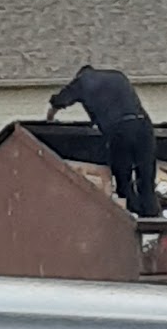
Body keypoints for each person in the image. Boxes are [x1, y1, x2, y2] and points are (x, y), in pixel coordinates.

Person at [47, 65, 160, 218]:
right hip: (144, 126)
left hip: (120, 130)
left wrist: (50, 117)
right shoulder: (118, 75)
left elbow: (59, 100)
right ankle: (152, 216)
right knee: (146, 177)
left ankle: (130, 216)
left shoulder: (83, 81)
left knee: (123, 178)